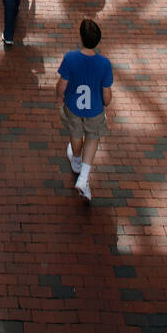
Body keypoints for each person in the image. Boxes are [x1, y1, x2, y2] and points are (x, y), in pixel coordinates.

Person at [56, 18, 113, 201]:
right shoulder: (104, 64)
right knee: (93, 137)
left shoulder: (70, 58)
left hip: (73, 106)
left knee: (75, 132)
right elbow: (107, 93)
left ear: (80, 37)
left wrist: (60, 96)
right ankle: (84, 176)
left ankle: (76, 160)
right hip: (94, 109)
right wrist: (106, 103)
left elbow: (62, 84)